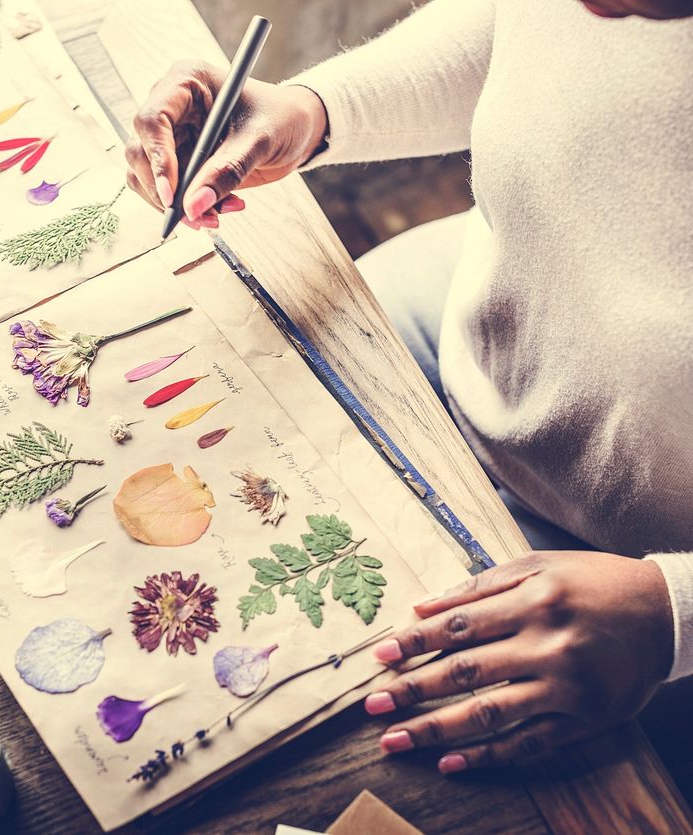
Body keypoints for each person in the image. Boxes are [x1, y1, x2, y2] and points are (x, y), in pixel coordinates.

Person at [124, 0, 693, 774]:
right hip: (453, 329)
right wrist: (317, 109)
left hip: (624, 587)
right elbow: (521, 29)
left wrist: (672, 613)